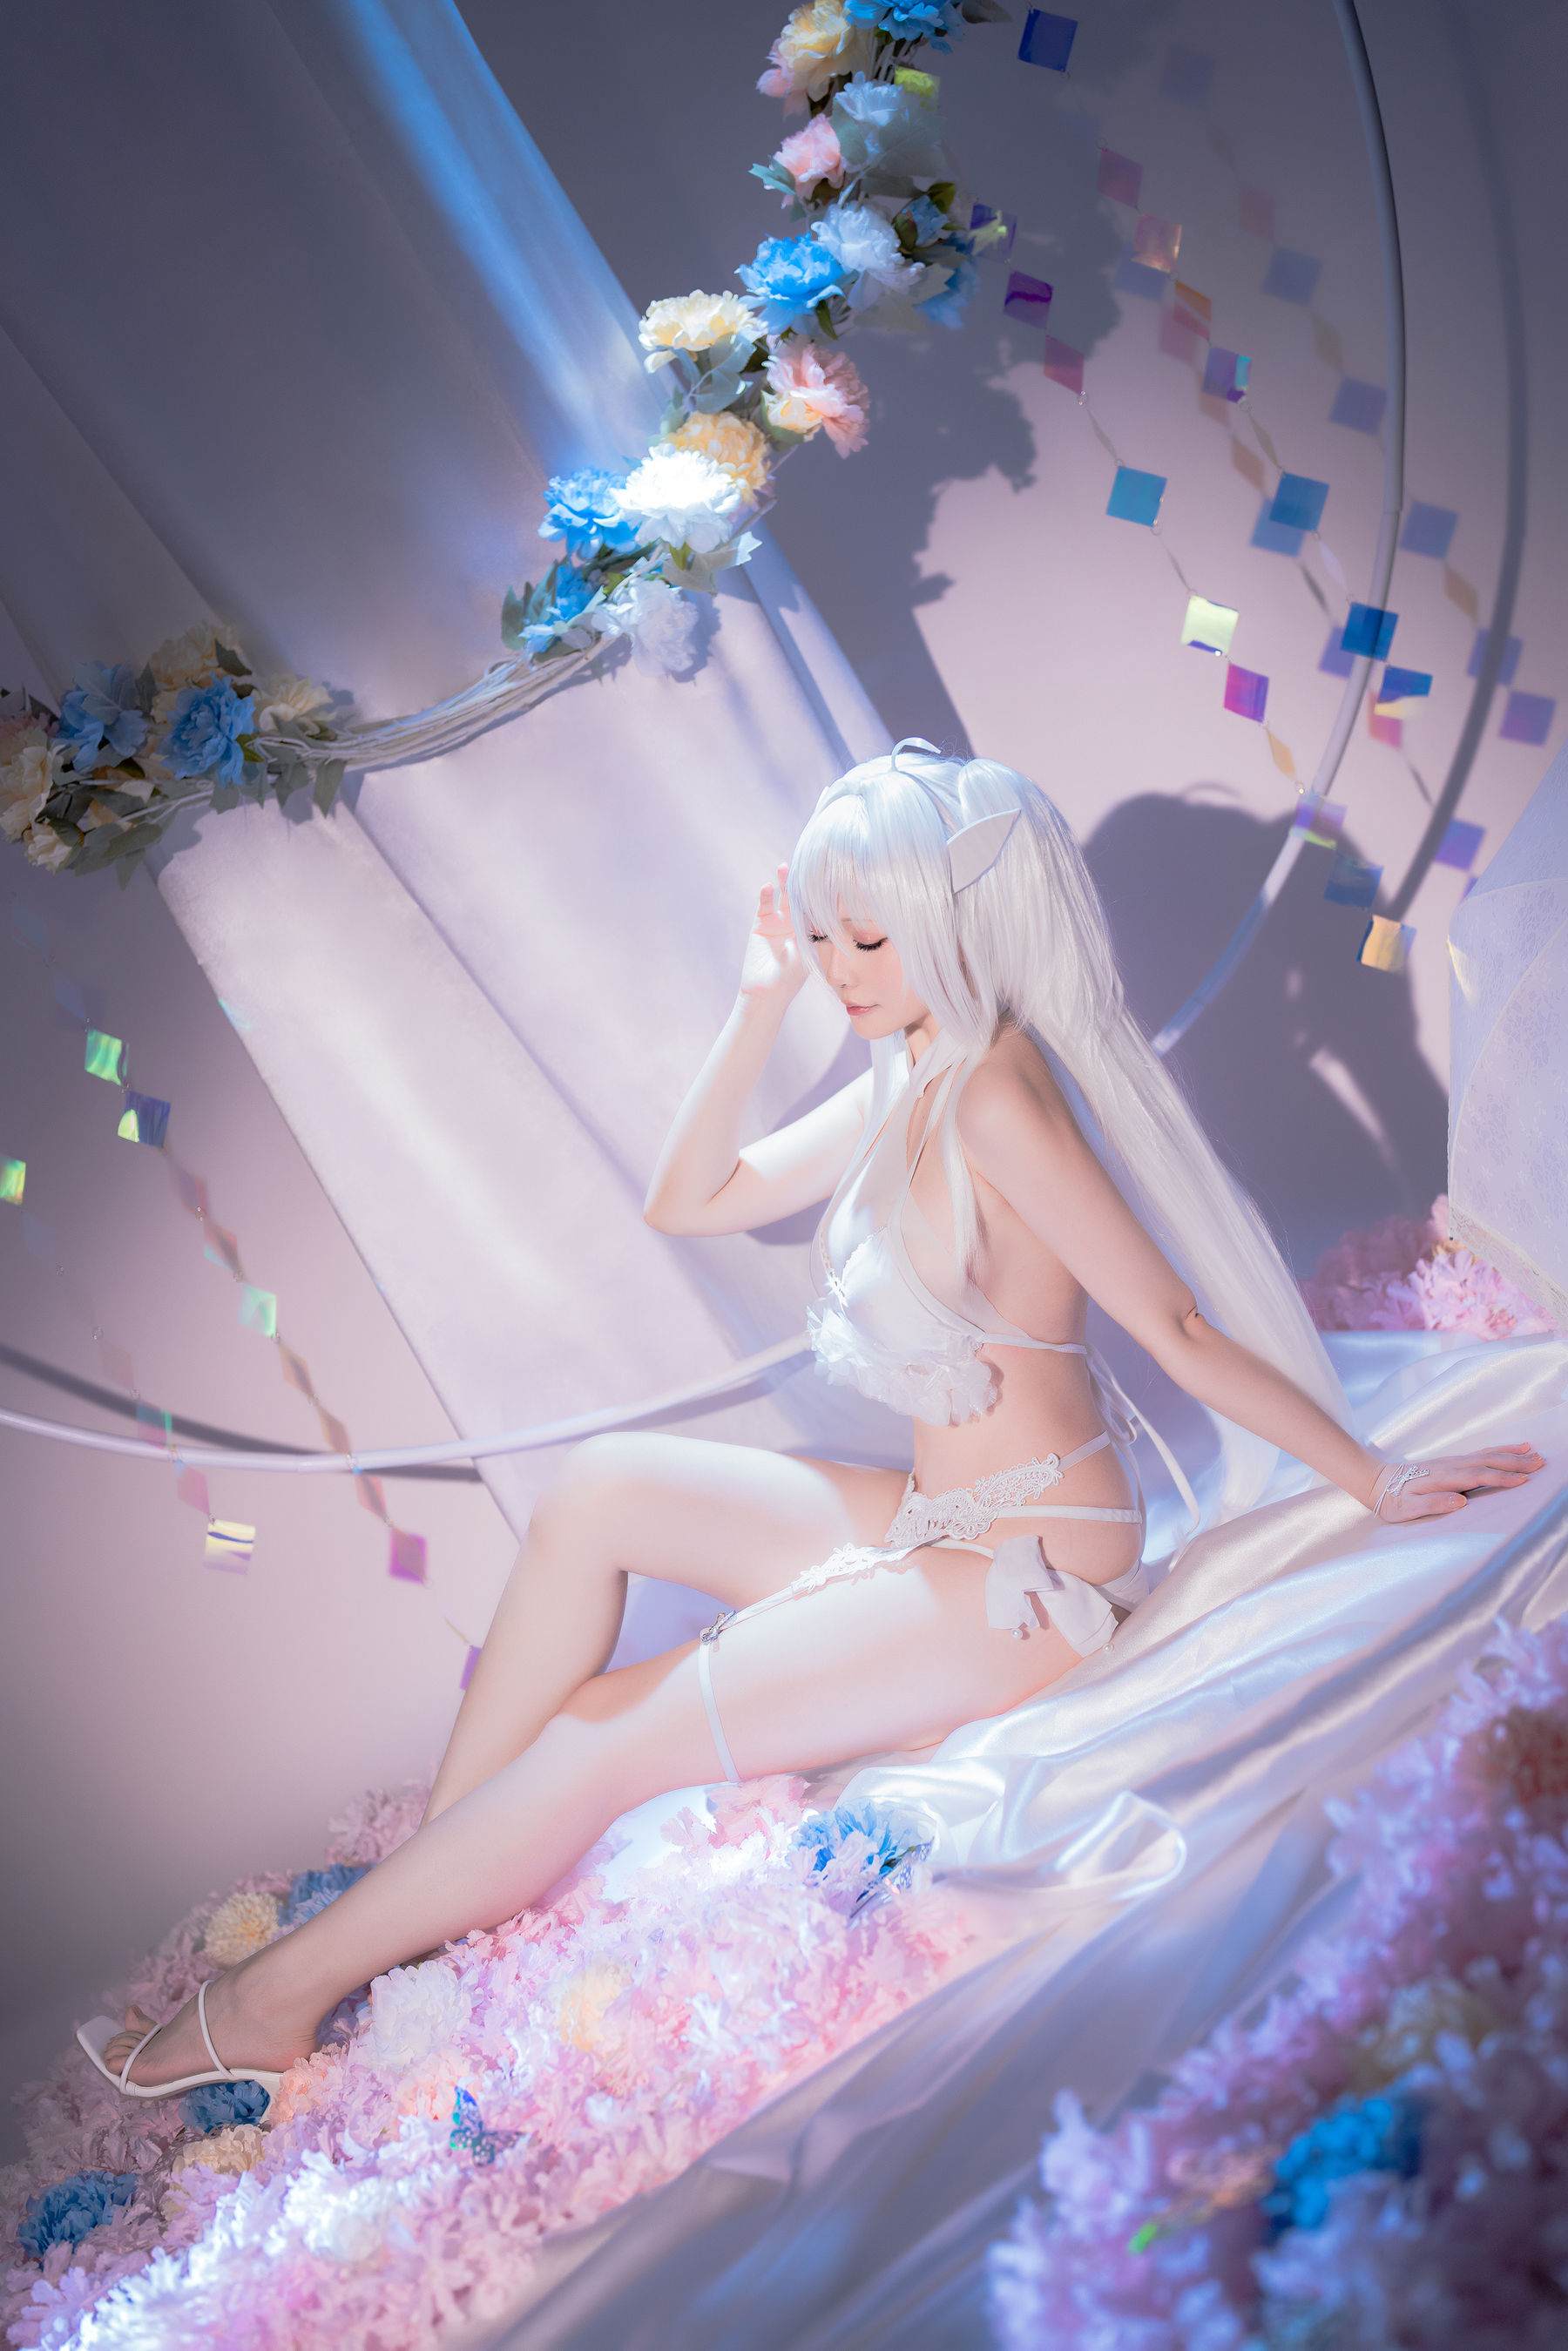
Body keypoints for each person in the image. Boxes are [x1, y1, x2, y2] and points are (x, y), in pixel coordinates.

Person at [81, 744, 1542, 2104]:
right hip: (941, 1519)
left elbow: (1178, 1327)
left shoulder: (995, 1099)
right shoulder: (914, 1067)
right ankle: (435, 1892)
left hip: (1033, 1568)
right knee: (598, 1490)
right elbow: (691, 1198)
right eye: (829, 933)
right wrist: (760, 995)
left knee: (600, 1736)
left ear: (956, 927)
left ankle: (274, 2001)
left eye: (868, 939)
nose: (841, 967)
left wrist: (1372, 1476)